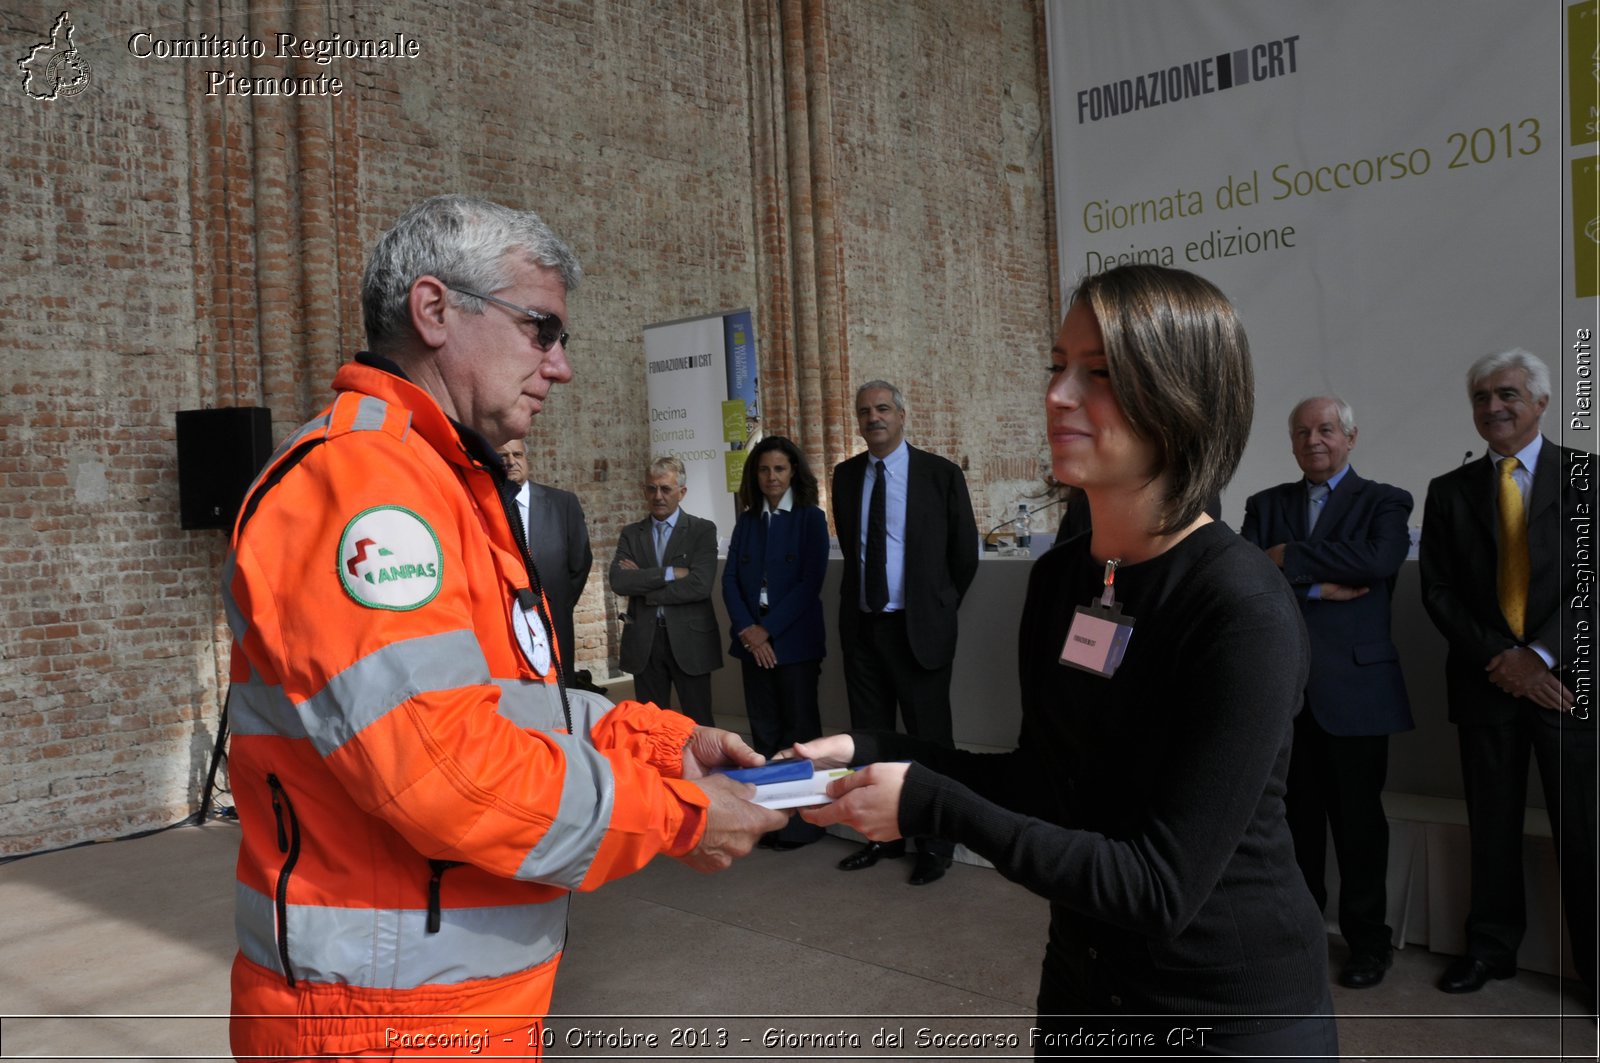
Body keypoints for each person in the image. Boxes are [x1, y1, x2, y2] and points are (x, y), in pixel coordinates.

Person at [222, 195, 785, 1060]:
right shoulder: (364, 488)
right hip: (375, 1023)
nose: (558, 366)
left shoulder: (447, 483)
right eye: (542, 330)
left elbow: (517, 708)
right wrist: (675, 812)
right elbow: (440, 768)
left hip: (451, 1010)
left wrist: (664, 744)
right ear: (435, 309)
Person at [800, 265, 1338, 1057]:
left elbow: (1159, 886)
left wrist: (929, 805)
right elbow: (1043, 785)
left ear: (1183, 395)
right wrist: (872, 750)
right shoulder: (1065, 579)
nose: (1057, 395)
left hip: (1227, 1011)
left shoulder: (1241, 605)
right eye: (1058, 366)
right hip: (1085, 985)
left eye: (1101, 373)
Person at [1419, 348, 1596, 1003]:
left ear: (1541, 402)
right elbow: (1437, 590)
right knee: (1490, 829)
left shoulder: (1589, 476)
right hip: (1484, 683)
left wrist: (1540, 657)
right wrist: (1504, 660)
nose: (1493, 407)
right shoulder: (1449, 491)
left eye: (1508, 394)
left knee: (1586, 831)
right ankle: (1490, 950)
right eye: (1482, 397)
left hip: (1569, 685)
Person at [1241, 396, 1415, 989]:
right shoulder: (1265, 504)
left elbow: (1378, 559)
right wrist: (1315, 590)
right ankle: (1302, 938)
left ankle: (1369, 945)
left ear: (1350, 437)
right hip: (1285, 694)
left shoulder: (1386, 501)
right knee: (1296, 828)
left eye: (1326, 429)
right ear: (1291, 442)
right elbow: (1246, 579)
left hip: (1359, 693)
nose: (1314, 440)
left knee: (1360, 828)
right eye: (1302, 431)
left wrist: (1288, 556)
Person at [830, 380, 979, 886]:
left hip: (919, 631)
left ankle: (936, 842)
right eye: (865, 411)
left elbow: (964, 555)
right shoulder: (845, 476)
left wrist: (937, 606)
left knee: (929, 741)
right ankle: (883, 837)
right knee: (873, 739)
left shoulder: (940, 474)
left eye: (883, 409)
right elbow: (855, 549)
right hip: (865, 628)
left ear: (902, 415)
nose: (874, 418)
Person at [722, 436, 830, 849]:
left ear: (793, 473)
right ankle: (771, 817)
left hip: (794, 642)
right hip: (753, 643)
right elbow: (730, 579)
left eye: (779, 469)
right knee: (764, 733)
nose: (771, 477)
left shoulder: (810, 519)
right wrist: (749, 631)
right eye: (764, 469)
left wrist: (769, 630)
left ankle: (806, 823)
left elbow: (809, 583)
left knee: (799, 735)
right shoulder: (748, 521)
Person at [610, 455, 723, 725]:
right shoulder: (631, 533)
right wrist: (670, 573)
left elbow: (699, 585)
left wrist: (645, 588)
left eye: (665, 489)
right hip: (645, 642)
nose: (657, 496)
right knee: (650, 724)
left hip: (690, 641)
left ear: (681, 492)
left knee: (699, 724)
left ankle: (703, 770)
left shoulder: (701, 530)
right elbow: (619, 582)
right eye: (651, 488)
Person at [498, 436, 593, 681]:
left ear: (526, 458)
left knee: (562, 688)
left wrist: (560, 602)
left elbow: (580, 561)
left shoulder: (562, 503)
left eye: (517, 455)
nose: (511, 462)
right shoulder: (487, 504)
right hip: (506, 617)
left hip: (554, 615)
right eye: (503, 457)